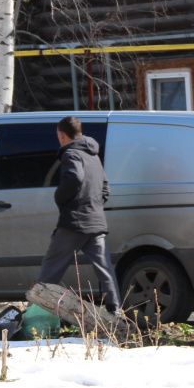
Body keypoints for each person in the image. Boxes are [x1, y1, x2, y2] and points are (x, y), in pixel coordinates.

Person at [38, 117, 122, 314]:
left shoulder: (71, 154)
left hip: (74, 222)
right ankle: (115, 310)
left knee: (52, 266)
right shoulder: (93, 155)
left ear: (61, 135)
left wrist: (60, 197)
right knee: (105, 269)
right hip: (95, 221)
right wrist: (94, 205)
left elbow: (75, 178)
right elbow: (105, 188)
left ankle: (39, 309)